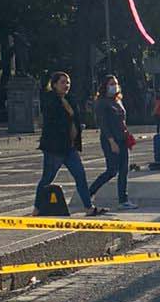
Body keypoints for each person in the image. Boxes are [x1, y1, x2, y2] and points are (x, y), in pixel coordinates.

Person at [37, 71, 102, 216]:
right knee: (47, 178)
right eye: (62, 82)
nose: (66, 85)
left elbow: (75, 119)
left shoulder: (70, 100)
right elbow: (52, 123)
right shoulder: (50, 100)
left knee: (80, 175)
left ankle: (88, 207)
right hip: (55, 147)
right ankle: (37, 208)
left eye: (68, 82)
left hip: (70, 147)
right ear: (54, 85)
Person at [89, 74, 134, 209]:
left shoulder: (117, 101)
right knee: (112, 170)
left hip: (122, 138)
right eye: (111, 84)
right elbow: (103, 124)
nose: (114, 86)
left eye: (115, 83)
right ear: (104, 86)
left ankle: (123, 200)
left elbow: (122, 120)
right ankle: (89, 192)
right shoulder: (102, 102)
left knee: (124, 170)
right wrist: (111, 141)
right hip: (110, 139)